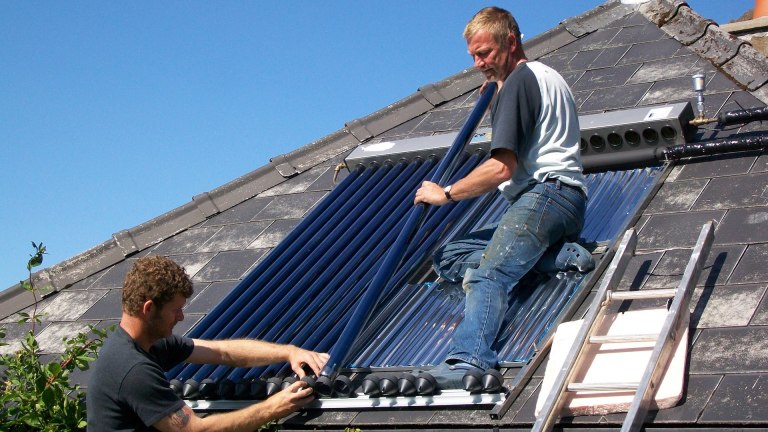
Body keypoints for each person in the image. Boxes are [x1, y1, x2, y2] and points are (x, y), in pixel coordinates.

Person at [413, 6, 593, 389]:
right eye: (474, 56)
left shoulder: (518, 83)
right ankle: (553, 257)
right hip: (566, 201)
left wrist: (446, 192)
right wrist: (498, 89)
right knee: (449, 256)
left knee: (487, 274)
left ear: (511, 42)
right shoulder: (545, 77)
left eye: (486, 54)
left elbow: (502, 168)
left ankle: (471, 359)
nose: (479, 63)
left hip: (544, 195)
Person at [87, 255, 329, 431]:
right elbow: (194, 431)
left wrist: (289, 352)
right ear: (149, 309)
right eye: (176, 310)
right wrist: (273, 408)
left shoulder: (152, 345)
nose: (181, 318)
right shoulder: (133, 369)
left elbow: (223, 352)